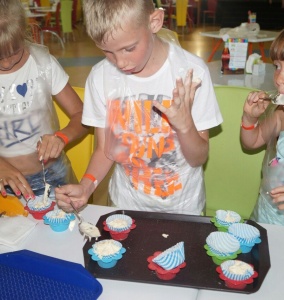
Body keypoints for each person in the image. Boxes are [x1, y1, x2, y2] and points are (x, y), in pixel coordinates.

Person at [55, 0, 222, 215]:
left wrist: (185, 126)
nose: (120, 62)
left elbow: (198, 158)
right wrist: (86, 186)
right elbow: (106, 151)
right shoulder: (101, 77)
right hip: (125, 205)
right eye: (107, 51)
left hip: (183, 208)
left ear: (154, 22)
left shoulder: (191, 73)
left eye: (129, 48)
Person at [0, 0, 88, 200]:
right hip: (5, 186)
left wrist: (62, 137)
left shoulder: (42, 64)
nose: (6, 63)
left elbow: (82, 116)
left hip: (54, 177)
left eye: (14, 52)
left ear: (24, 32)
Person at [240, 23, 284, 226]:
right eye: (277, 66)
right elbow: (252, 142)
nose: (279, 78)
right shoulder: (283, 114)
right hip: (264, 220)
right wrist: (249, 119)